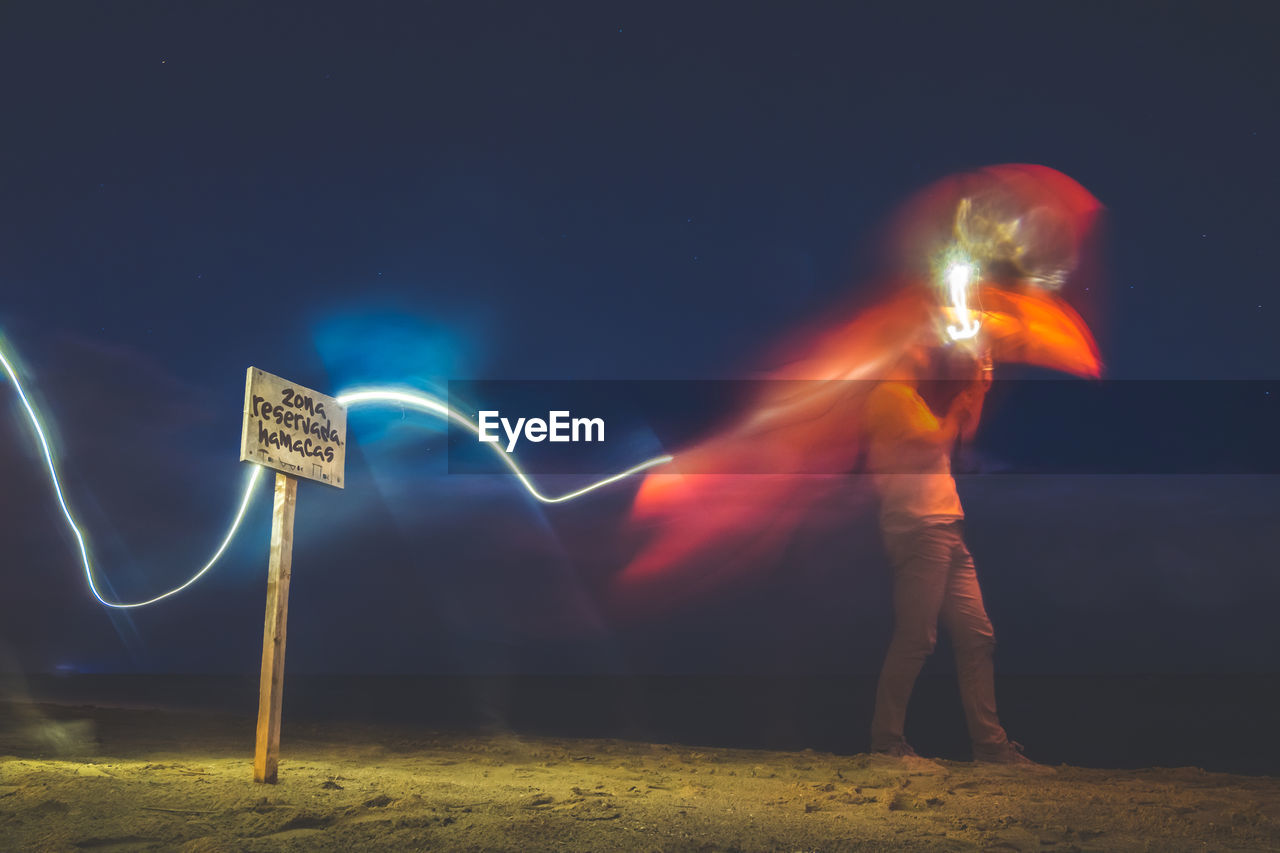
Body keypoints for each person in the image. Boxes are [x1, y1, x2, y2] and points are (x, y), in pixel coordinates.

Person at [862, 338, 1044, 767]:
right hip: (920, 529)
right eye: (917, 346)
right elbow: (927, 447)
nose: (925, 349)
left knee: (977, 636)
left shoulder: (911, 400)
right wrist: (955, 415)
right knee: (916, 637)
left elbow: (957, 437)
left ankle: (990, 746)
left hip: (945, 526)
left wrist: (978, 388)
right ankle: (886, 742)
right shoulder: (887, 397)